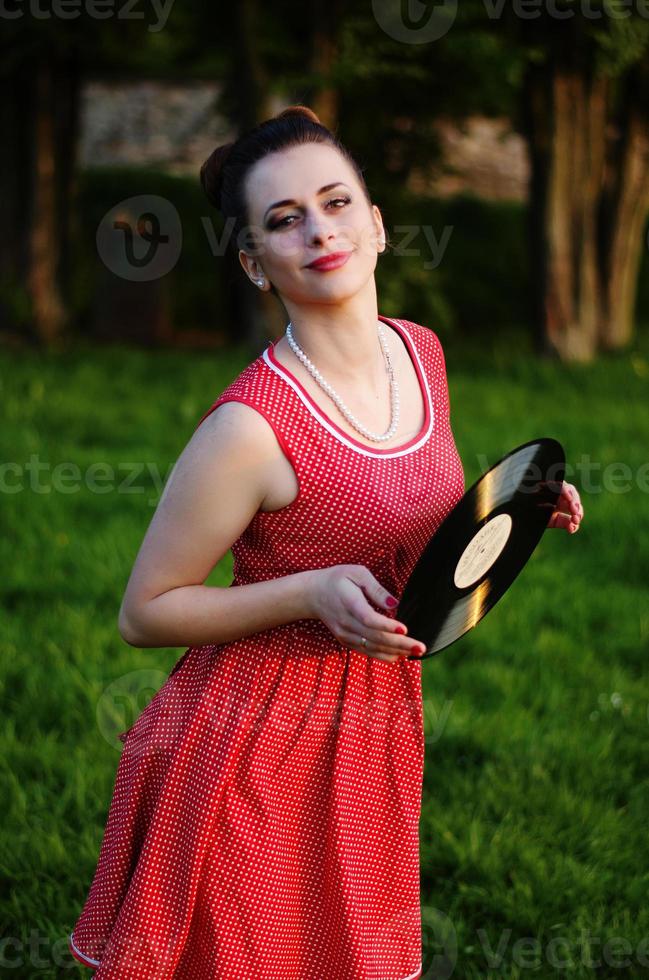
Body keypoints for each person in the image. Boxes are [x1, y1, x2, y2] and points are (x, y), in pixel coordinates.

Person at [67, 105, 583, 980]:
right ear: (253, 265)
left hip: (371, 731)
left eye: (335, 202)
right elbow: (143, 613)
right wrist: (306, 592)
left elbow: (410, 536)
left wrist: (507, 514)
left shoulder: (418, 353)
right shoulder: (248, 430)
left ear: (377, 224)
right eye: (282, 220)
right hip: (251, 746)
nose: (318, 231)